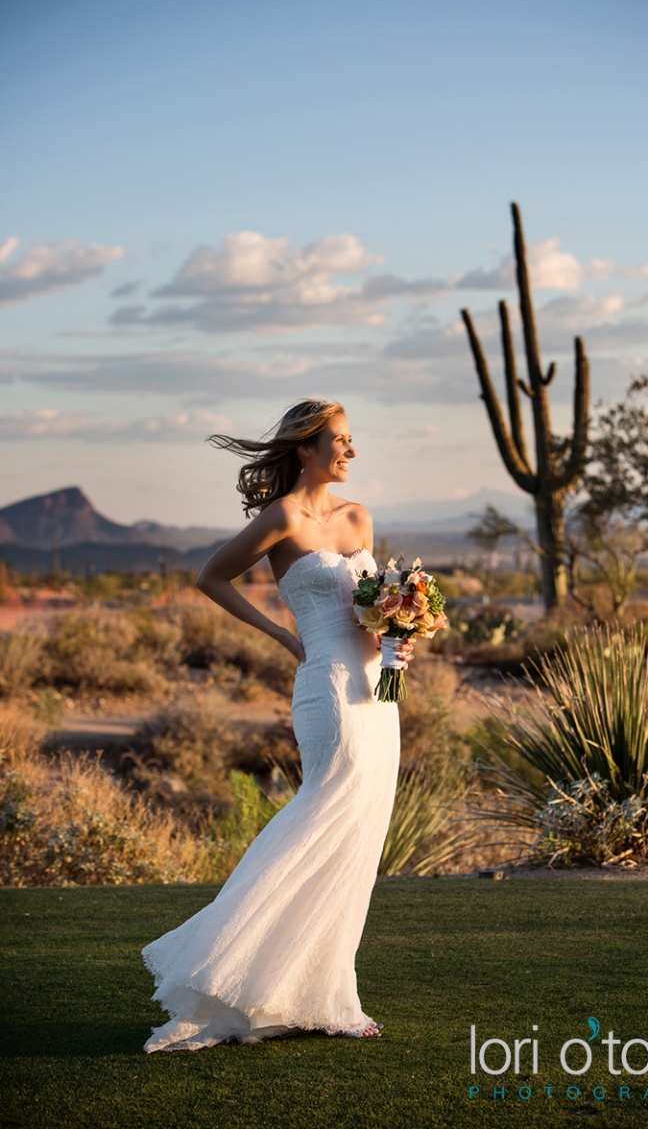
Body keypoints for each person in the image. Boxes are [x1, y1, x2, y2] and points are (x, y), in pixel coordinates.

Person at [141, 399, 411, 1052]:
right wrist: (279, 634)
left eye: (350, 440)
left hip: (379, 693)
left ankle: (326, 995)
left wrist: (403, 641)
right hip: (324, 687)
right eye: (339, 442)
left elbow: (377, 611)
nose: (350, 452)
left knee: (358, 836)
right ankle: (220, 966)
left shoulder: (359, 517)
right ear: (305, 449)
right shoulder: (284, 517)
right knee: (320, 815)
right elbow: (210, 576)